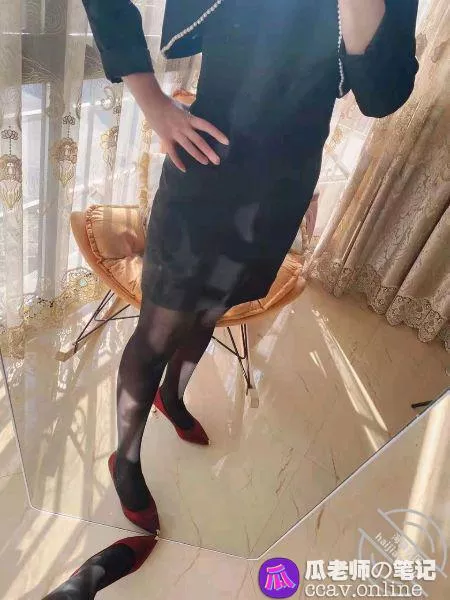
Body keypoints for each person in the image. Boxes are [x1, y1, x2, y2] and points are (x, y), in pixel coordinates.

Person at [82, 0, 418, 546]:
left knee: (213, 309)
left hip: (283, 187)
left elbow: (380, 95)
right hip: (204, 163)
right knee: (160, 328)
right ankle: (126, 457)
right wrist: (152, 102)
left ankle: (173, 396)